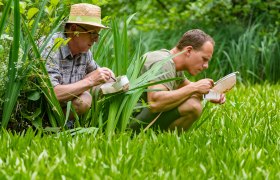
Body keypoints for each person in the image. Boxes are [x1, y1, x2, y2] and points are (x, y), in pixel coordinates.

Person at [130, 29, 225, 132]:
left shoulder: (173, 64)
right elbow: (154, 102)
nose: (206, 66)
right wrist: (195, 87)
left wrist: (212, 95)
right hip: (130, 122)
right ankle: (163, 141)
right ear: (188, 51)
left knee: (191, 98)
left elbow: (188, 90)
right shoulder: (164, 63)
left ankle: (160, 137)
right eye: (204, 59)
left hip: (141, 116)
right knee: (193, 106)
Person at [41, 3, 114, 117]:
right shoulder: (51, 48)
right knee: (84, 101)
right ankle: (55, 127)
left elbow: (96, 73)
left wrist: (112, 77)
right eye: (92, 34)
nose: (95, 40)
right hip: (44, 108)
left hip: (67, 99)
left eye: (97, 35)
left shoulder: (84, 51)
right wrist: (90, 81)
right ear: (74, 29)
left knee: (106, 81)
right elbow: (51, 93)